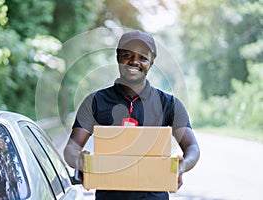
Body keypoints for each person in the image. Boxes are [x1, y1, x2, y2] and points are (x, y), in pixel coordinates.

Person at [64, 30, 200, 200]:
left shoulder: (169, 104)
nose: (134, 62)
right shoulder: (95, 102)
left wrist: (181, 165)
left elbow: (192, 148)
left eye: (142, 57)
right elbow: (71, 148)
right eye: (127, 55)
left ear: (151, 62)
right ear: (118, 57)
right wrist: (79, 161)